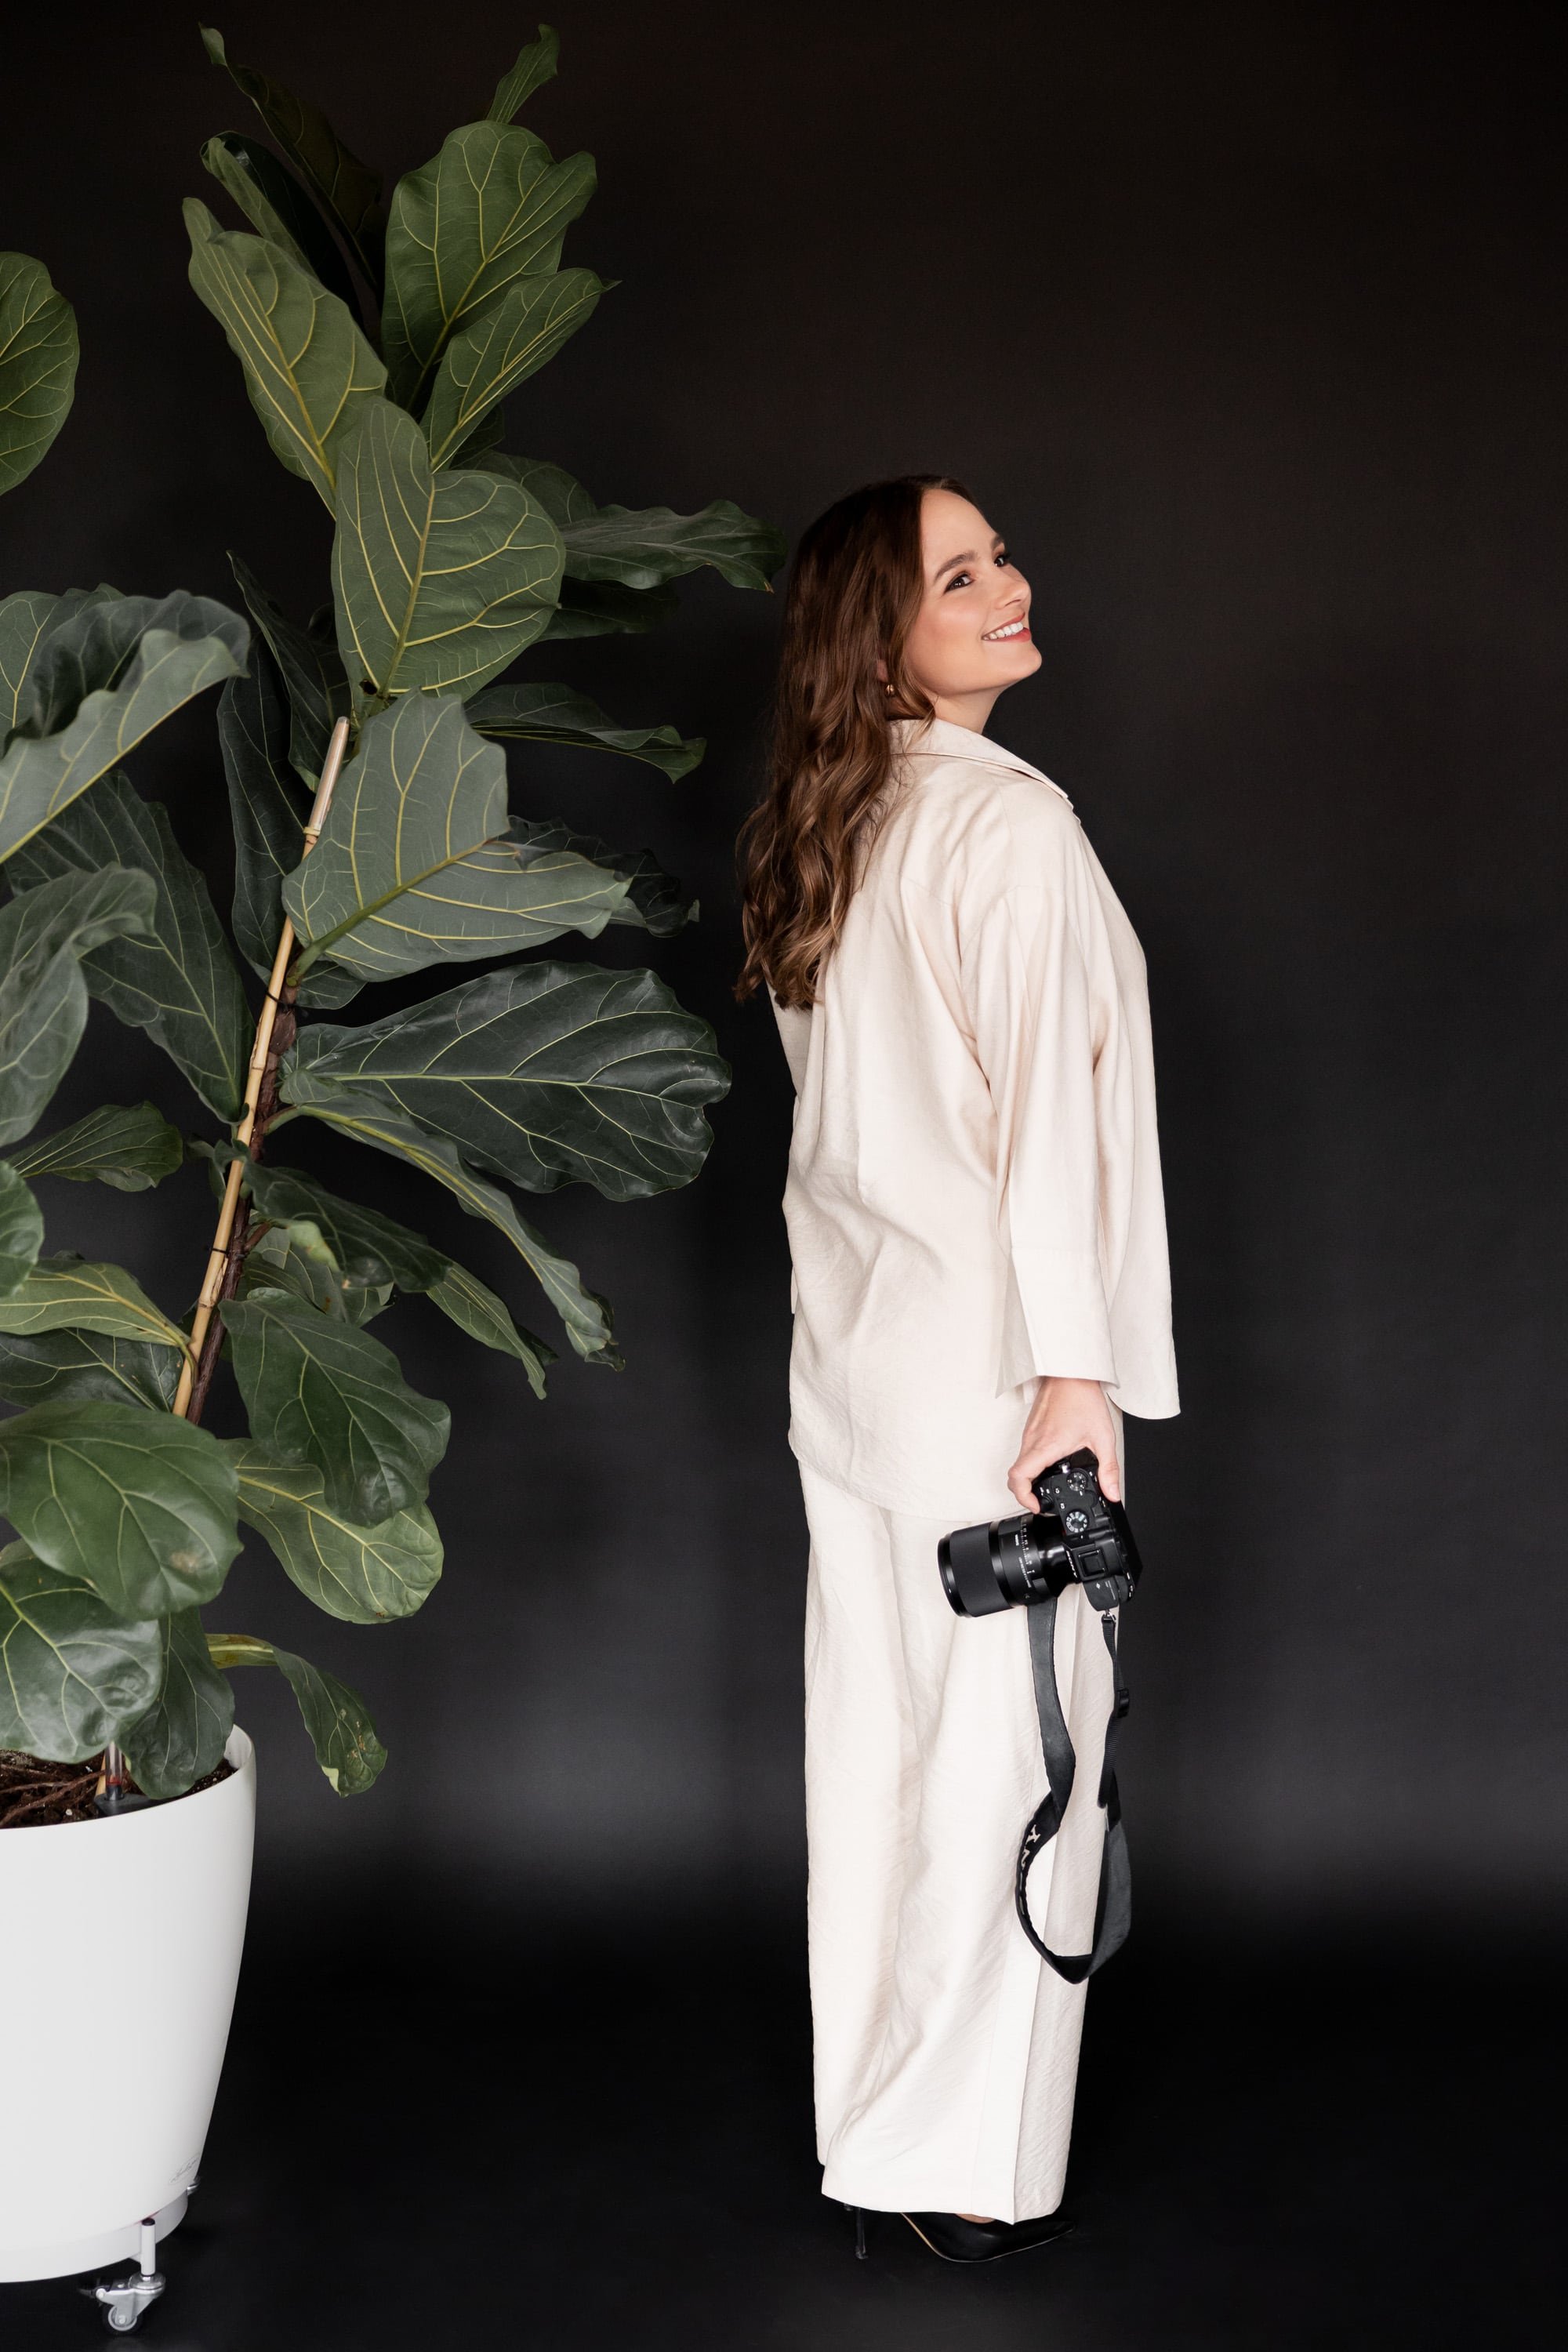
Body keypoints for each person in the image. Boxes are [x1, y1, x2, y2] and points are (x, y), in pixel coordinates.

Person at [735, 477, 1179, 2264]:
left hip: (853, 1369)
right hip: (994, 1379)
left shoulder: (817, 832)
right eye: (961, 573)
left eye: (998, 559)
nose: (1009, 588)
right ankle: (967, 2169)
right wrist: (1075, 1373)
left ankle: (874, 2127)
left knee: (880, 1754)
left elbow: (845, 1126)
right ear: (882, 634)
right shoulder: (1010, 827)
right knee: (1013, 1761)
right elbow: (1048, 1132)